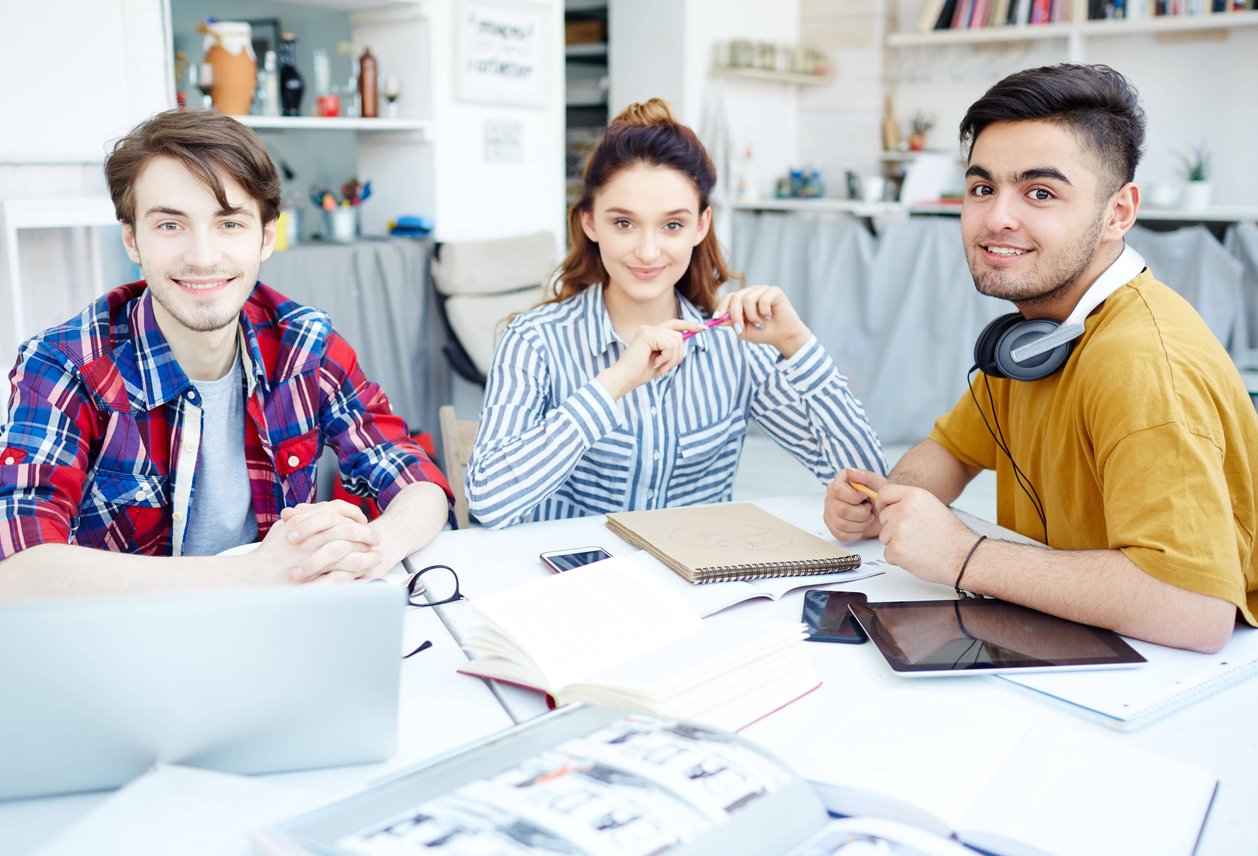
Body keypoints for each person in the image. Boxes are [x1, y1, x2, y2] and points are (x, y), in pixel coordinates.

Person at [824, 64, 1257, 653]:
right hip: (1074, 640)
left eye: (1040, 193)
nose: (997, 216)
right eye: (982, 188)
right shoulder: (1037, 337)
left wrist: (961, 555)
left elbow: (1194, 610)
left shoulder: (1142, 361)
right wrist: (890, 502)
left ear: (1119, 212)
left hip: (1171, 674)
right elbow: (952, 448)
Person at [0, 109, 453, 598]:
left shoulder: (303, 345)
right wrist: (254, 572)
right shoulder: (66, 364)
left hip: (275, 631)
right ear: (133, 239)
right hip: (128, 645)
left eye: (229, 224)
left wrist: (374, 546)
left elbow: (418, 481)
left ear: (264, 236)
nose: (202, 256)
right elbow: (19, 567)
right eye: (171, 225)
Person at [467, 99, 885, 528]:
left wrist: (797, 345)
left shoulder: (735, 346)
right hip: (567, 583)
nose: (648, 252)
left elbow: (873, 485)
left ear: (700, 227)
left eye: (671, 225)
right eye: (624, 224)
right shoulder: (534, 341)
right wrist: (615, 383)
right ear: (590, 223)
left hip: (699, 591)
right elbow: (489, 503)